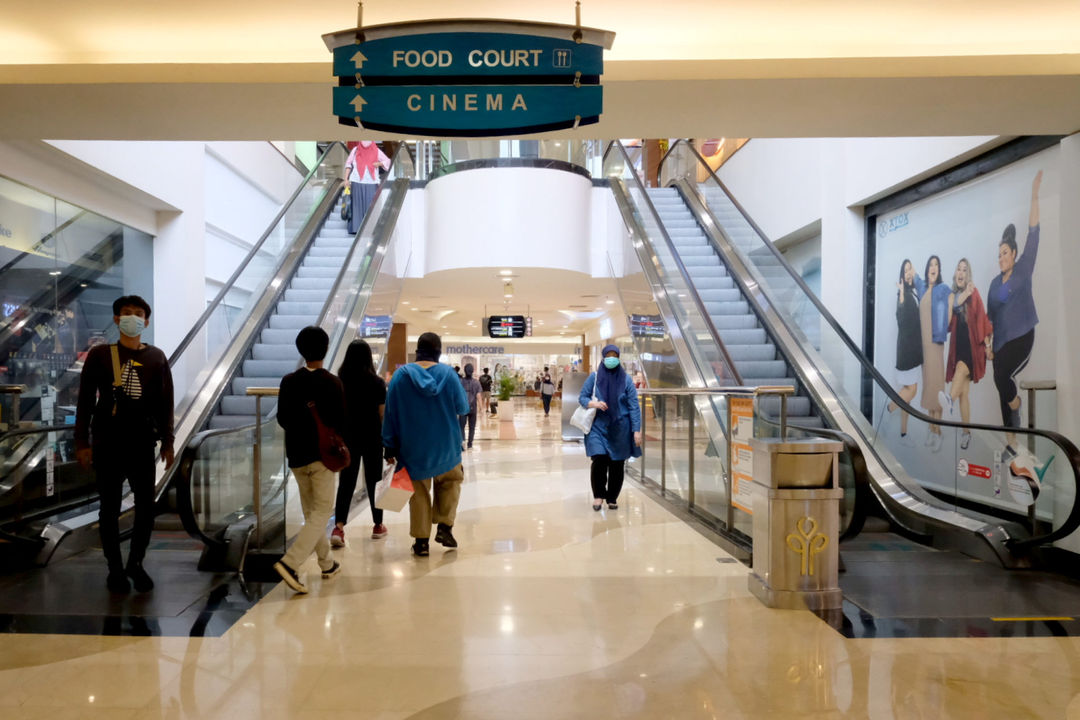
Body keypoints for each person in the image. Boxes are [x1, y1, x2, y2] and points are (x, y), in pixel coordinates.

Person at [75, 295, 174, 594]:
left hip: (142, 443)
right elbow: (84, 402)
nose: (133, 317)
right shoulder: (100, 355)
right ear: (117, 319)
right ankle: (114, 568)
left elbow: (164, 403)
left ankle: (136, 563)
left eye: (139, 313)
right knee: (109, 508)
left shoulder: (156, 357)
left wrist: (167, 442)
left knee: (146, 507)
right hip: (108, 442)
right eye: (127, 313)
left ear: (146, 320)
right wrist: (82, 441)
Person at [382, 332, 469, 557]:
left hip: (412, 447)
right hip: (447, 446)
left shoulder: (400, 376)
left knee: (418, 493)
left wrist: (389, 445)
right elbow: (463, 408)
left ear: (418, 350)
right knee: (450, 483)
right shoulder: (448, 375)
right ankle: (444, 526)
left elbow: (390, 414)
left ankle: (421, 543)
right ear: (438, 351)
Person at [273, 326, 345, 594]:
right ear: (326, 350)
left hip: (296, 455)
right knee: (322, 512)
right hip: (322, 457)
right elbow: (339, 420)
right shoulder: (332, 382)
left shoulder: (289, 381)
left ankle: (327, 564)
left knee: (311, 512)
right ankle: (290, 563)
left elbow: (282, 418)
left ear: (300, 350)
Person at [987, 171, 1042, 433]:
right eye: (999, 255)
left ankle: (1017, 403)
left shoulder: (1023, 269)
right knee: (1000, 380)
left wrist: (1033, 195)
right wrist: (987, 345)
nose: (1001, 258)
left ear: (1014, 254)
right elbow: (989, 319)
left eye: (1005, 253)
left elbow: (1034, 231)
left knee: (1001, 374)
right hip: (999, 343)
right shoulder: (994, 284)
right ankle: (1011, 440)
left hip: (1022, 337)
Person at [331, 339, 387, 548]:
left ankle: (339, 527)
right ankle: (378, 525)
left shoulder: (339, 382)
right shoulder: (377, 382)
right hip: (373, 438)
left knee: (347, 482)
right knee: (374, 482)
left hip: (348, 439)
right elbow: (382, 415)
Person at [579, 345, 642, 511]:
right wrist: (595, 404)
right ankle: (599, 496)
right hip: (597, 427)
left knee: (616, 464)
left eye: (615, 356)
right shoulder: (594, 377)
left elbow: (634, 406)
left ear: (619, 358)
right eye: (609, 355)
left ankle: (612, 497)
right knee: (599, 459)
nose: (611, 359)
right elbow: (582, 397)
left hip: (620, 429)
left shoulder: (626, 380)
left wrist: (636, 429)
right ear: (603, 357)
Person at [940, 258, 992, 451]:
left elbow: (982, 318)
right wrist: (954, 300)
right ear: (955, 274)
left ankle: (948, 400)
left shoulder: (973, 292)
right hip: (957, 347)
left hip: (972, 349)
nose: (961, 272)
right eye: (958, 269)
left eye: (964, 270)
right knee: (964, 394)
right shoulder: (952, 296)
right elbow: (946, 324)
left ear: (967, 274)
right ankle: (966, 433)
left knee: (961, 370)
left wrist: (987, 345)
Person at [882, 258, 923, 444]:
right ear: (901, 274)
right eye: (905, 270)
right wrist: (900, 294)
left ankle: (904, 432)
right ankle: (889, 408)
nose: (908, 273)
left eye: (910, 269)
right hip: (908, 352)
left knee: (907, 394)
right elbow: (901, 318)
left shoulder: (913, 291)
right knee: (912, 390)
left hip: (911, 350)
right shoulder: (904, 294)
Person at [919, 255, 950, 451]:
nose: (933, 268)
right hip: (924, 346)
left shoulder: (943, 289)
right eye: (930, 264)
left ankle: (938, 432)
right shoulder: (922, 289)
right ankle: (931, 429)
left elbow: (953, 304)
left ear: (939, 270)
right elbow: (912, 276)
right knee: (929, 387)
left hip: (936, 344)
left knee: (937, 386)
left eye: (936, 265)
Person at [344, 141, 390, 234]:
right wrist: (346, 179)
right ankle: (356, 229)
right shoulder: (355, 150)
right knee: (357, 206)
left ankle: (370, 229)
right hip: (357, 181)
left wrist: (379, 164)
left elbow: (387, 161)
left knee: (370, 206)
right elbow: (348, 164)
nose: (365, 143)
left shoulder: (376, 151)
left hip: (371, 182)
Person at [459, 364, 482, 449]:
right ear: (473, 371)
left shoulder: (460, 381)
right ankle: (470, 444)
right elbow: (479, 396)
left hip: (462, 408)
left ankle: (462, 442)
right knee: (472, 427)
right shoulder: (476, 382)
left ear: (464, 371)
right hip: (473, 408)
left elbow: (457, 395)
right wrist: (481, 408)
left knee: (461, 426)